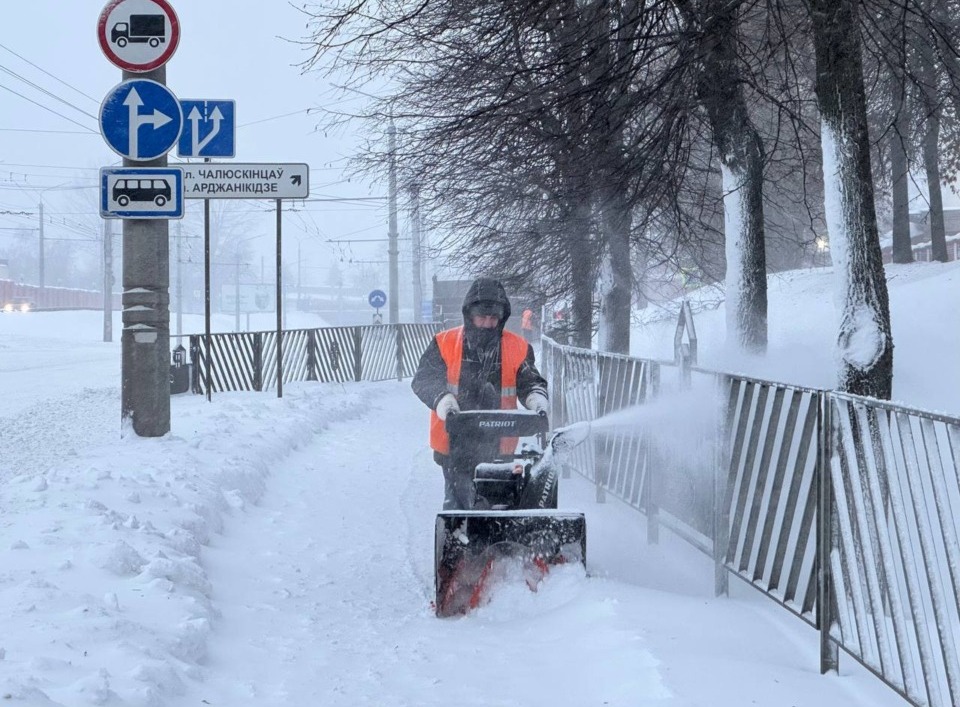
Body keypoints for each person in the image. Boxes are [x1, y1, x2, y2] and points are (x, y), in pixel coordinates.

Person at [412, 277, 549, 510]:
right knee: (460, 505)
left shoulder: (517, 347)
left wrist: (536, 399)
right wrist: (443, 399)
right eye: (482, 317)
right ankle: (461, 540)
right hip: (455, 442)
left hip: (500, 439)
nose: (487, 323)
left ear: (502, 317)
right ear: (469, 315)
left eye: (493, 318)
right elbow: (424, 379)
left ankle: (495, 541)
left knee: (501, 500)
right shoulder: (444, 342)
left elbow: (529, 380)